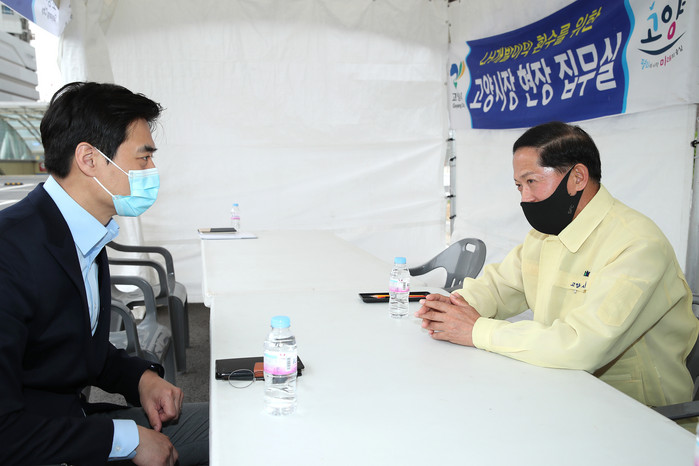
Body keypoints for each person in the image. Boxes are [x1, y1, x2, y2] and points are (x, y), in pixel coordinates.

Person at [416, 121, 699, 409]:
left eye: (531, 181)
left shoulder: (637, 245)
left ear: (577, 177)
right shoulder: (545, 236)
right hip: (561, 388)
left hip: (640, 410)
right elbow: (500, 287)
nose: (525, 198)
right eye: (518, 186)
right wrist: (452, 308)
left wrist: (477, 330)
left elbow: (582, 345)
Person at [0, 82, 208, 465]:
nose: (151, 171)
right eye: (143, 158)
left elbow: (76, 349)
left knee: (232, 423)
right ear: (89, 159)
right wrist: (127, 440)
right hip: (39, 445)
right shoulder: (10, 251)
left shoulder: (83, 232)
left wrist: (141, 379)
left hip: (71, 426)